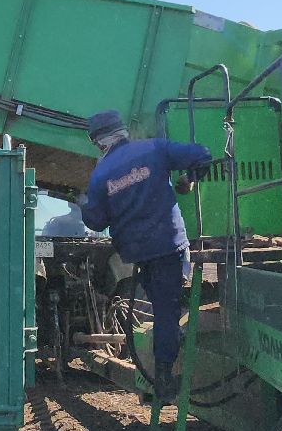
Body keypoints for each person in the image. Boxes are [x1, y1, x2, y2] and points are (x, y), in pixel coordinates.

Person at [78, 110, 211, 403]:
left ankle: (164, 363)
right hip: (168, 245)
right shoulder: (154, 148)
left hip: (138, 252)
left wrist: (84, 202)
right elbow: (202, 154)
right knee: (166, 311)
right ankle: (164, 378)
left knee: (161, 306)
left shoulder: (101, 173)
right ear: (123, 131)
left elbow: (96, 222)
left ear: (99, 142)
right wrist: (189, 179)